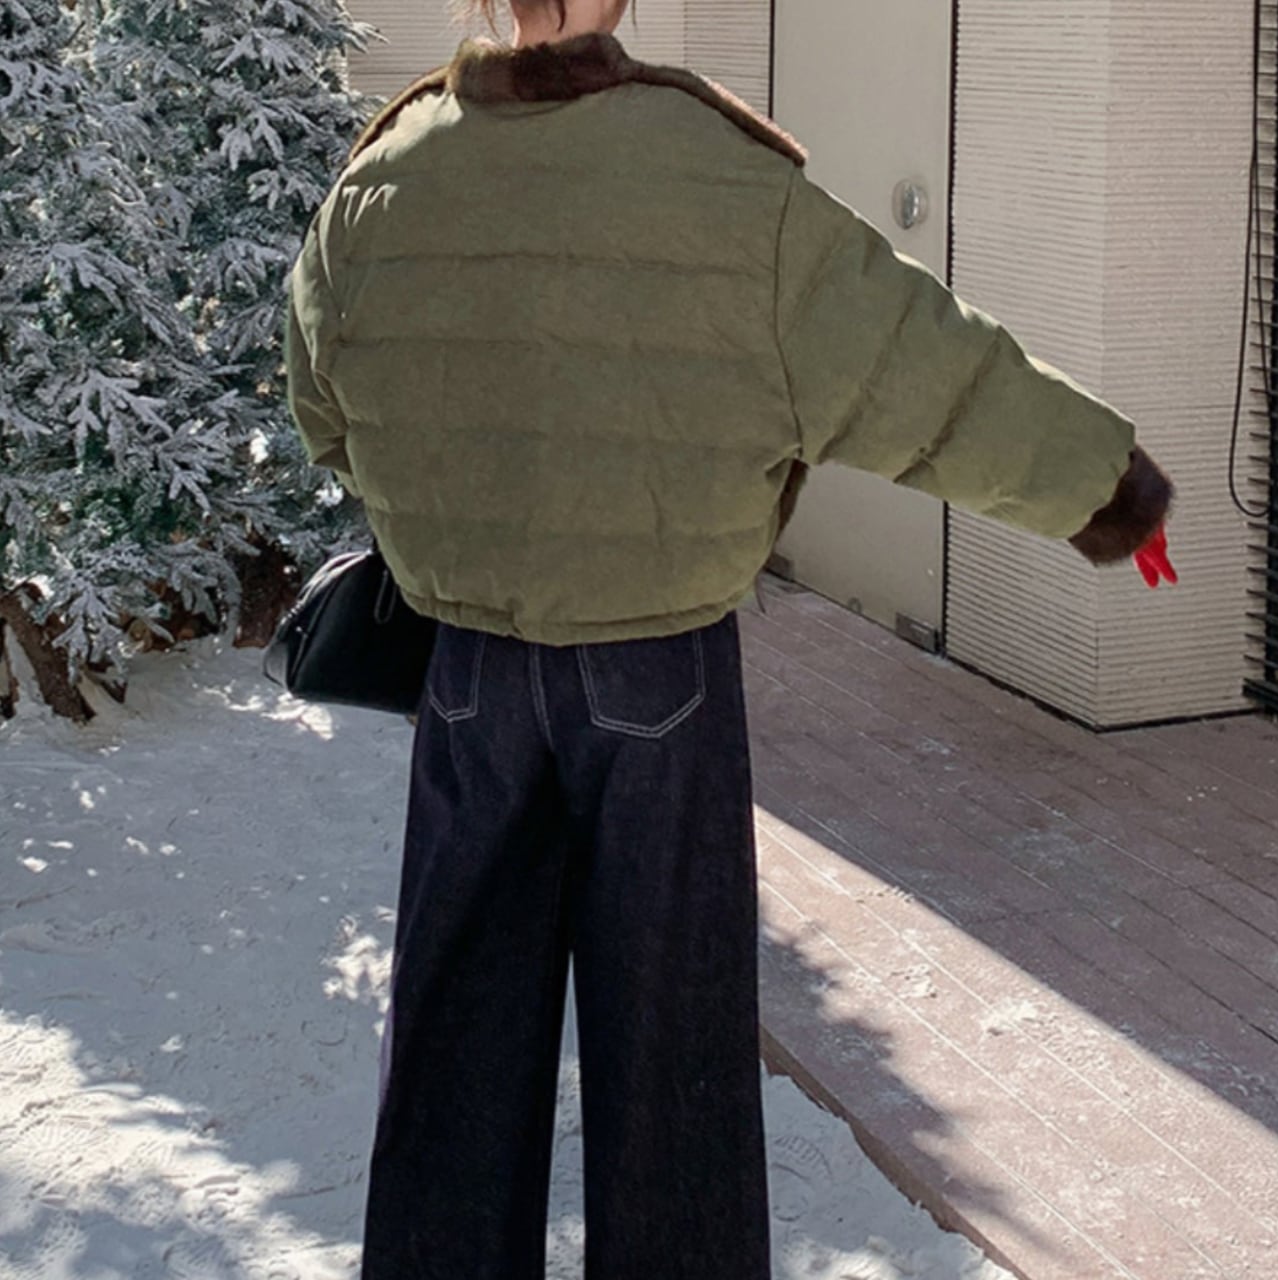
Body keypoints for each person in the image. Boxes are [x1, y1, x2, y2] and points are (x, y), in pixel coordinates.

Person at [284, 2, 1175, 1275]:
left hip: (469, 667)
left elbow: (322, 407)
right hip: (660, 671)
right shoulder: (721, 176)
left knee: (454, 1032)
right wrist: (1106, 491)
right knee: (674, 1044)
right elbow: (924, 370)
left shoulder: (384, 175)